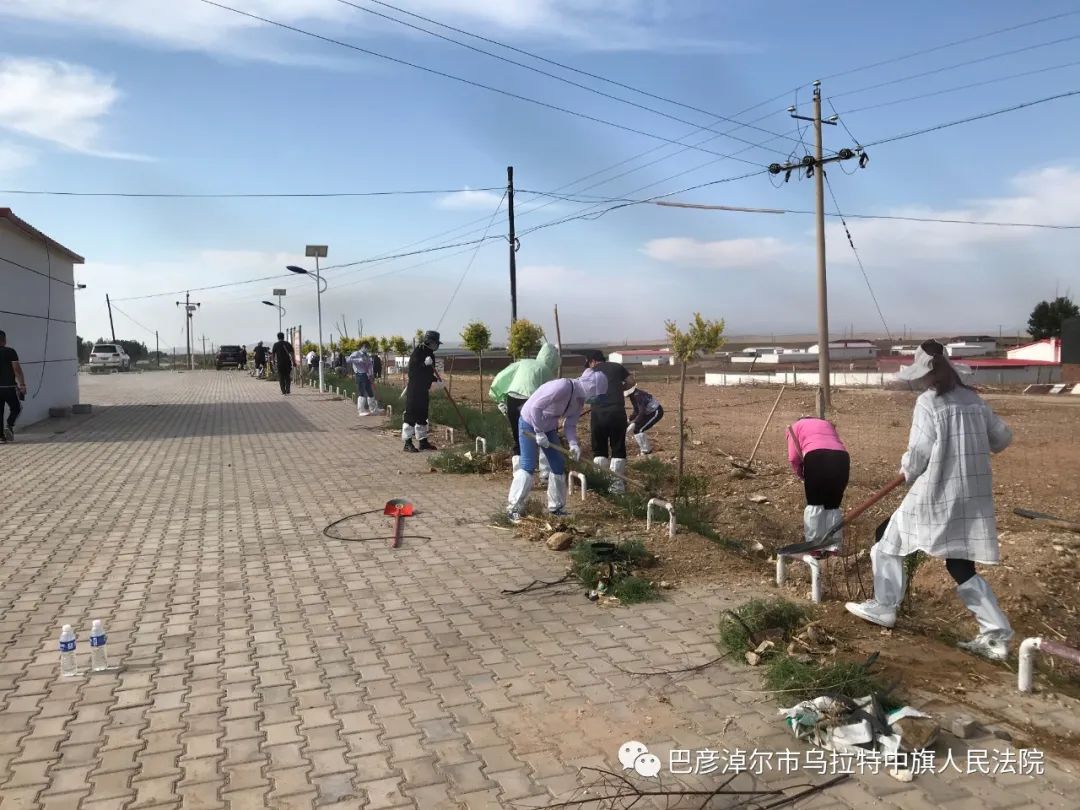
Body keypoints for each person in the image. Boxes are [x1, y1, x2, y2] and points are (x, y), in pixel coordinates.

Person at [845, 340, 1014, 661]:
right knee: (959, 563)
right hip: (971, 497)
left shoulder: (928, 403)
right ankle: (995, 635)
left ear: (926, 374)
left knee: (887, 539)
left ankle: (885, 607)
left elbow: (919, 455)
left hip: (936, 491)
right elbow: (1003, 439)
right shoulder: (974, 400)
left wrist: (907, 469)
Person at [506, 369, 608, 523]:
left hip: (548, 427)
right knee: (528, 465)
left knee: (558, 464)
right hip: (528, 423)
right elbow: (535, 408)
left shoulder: (579, 400)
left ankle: (556, 508)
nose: (594, 399)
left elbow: (570, 425)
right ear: (591, 387)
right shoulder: (563, 387)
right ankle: (513, 508)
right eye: (596, 394)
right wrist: (539, 432)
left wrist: (574, 445)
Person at [488, 340, 561, 483]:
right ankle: (545, 475)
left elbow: (501, 378)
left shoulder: (523, 362)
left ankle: (519, 476)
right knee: (543, 437)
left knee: (519, 437)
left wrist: (500, 399)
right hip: (530, 403)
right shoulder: (545, 371)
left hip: (512, 399)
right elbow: (550, 397)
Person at [787, 417, 850, 553]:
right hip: (841, 458)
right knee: (833, 505)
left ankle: (814, 548)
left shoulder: (795, 426)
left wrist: (801, 474)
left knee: (815, 504)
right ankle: (833, 547)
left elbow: (793, 457)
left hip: (816, 456)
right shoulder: (827, 424)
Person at [583, 350, 633, 493]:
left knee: (599, 450)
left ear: (592, 361)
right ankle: (617, 488)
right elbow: (632, 381)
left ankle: (602, 484)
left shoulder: (591, 372)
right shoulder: (617, 367)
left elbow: (585, 391)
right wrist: (620, 388)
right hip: (617, 412)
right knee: (618, 448)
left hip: (598, 414)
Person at [402, 330, 442, 452]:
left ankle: (423, 442)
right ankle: (407, 443)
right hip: (414, 390)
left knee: (422, 416)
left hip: (424, 390)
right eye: (436, 343)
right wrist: (424, 364)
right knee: (411, 416)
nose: (437, 346)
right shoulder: (418, 352)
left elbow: (428, 373)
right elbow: (413, 373)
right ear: (429, 342)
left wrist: (436, 381)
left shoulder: (430, 354)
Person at [0, 330, 26, 442]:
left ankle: (1, 437)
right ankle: (9, 425)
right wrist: (22, 385)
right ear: (4, 340)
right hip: (9, 388)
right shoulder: (10, 352)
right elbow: (17, 369)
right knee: (16, 408)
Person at [624, 385, 663, 456]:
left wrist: (635, 422)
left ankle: (646, 452)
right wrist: (629, 419)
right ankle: (645, 451)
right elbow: (637, 410)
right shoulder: (633, 396)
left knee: (639, 429)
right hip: (648, 412)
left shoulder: (638, 396)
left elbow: (641, 412)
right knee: (637, 429)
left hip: (655, 411)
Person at [348, 344, 380, 416]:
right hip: (360, 374)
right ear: (363, 347)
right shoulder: (356, 353)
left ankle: (373, 409)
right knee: (362, 392)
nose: (367, 350)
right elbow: (348, 360)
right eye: (366, 348)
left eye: (368, 348)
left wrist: (371, 374)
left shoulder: (367, 355)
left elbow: (369, 365)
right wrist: (359, 360)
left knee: (370, 392)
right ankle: (361, 410)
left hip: (367, 375)